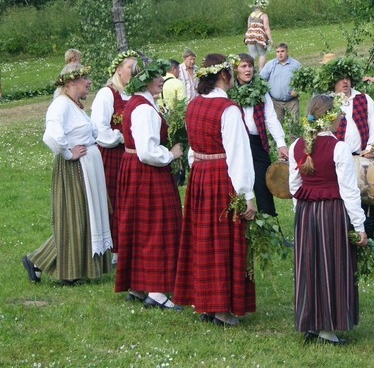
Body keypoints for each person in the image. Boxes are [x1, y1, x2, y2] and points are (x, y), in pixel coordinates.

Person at [174, 54, 257, 326]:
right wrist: (247, 194)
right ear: (223, 76)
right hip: (222, 178)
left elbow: (191, 150)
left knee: (203, 239)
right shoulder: (228, 109)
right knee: (221, 240)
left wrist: (197, 169)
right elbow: (238, 155)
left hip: (200, 176)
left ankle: (206, 305)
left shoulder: (193, 105)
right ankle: (221, 310)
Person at [22, 63, 113, 284]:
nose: (89, 82)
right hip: (74, 169)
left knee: (85, 217)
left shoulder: (75, 105)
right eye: (85, 79)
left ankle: (47, 263)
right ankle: (57, 268)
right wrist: (67, 152)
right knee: (75, 218)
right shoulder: (60, 105)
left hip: (87, 167)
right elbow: (51, 136)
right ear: (72, 82)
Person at [288, 94, 368, 345]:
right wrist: (359, 225)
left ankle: (310, 322)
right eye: (339, 113)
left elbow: (294, 185)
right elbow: (349, 190)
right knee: (332, 266)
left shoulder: (297, 145)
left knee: (309, 266)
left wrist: (300, 212)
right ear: (329, 117)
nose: (342, 117)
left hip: (306, 212)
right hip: (331, 213)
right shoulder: (339, 147)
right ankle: (327, 328)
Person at [114, 59, 184, 309]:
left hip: (135, 169)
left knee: (139, 226)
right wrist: (172, 154)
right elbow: (147, 151)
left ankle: (138, 284)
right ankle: (155, 290)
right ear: (144, 79)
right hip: (147, 171)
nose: (161, 80)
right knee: (158, 226)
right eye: (156, 77)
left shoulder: (139, 102)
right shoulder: (143, 108)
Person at [326, 56, 374, 239]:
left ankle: (366, 234)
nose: (345, 81)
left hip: (362, 157)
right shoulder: (327, 102)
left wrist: (371, 149)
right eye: (341, 78)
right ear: (333, 81)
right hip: (336, 160)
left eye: (348, 77)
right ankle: (340, 233)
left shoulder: (364, 99)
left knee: (364, 199)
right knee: (339, 196)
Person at [90, 50, 138, 257]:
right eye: (130, 68)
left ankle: (128, 246)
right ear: (119, 70)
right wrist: (120, 137)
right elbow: (99, 128)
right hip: (112, 154)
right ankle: (113, 249)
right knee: (113, 198)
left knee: (129, 200)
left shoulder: (135, 94)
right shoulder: (107, 94)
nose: (135, 72)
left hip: (132, 154)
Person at [230, 53, 288, 216]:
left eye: (250, 66)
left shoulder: (261, 89)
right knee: (237, 183)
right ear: (236, 70)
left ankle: (269, 224)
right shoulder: (229, 91)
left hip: (257, 142)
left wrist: (281, 142)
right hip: (236, 143)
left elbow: (270, 117)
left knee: (263, 183)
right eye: (243, 66)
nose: (248, 69)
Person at [260, 42, 301, 123]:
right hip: (275, 102)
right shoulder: (271, 64)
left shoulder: (295, 65)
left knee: (295, 124)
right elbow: (261, 79)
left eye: (282, 51)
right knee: (276, 125)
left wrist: (297, 89)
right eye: (278, 52)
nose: (280, 54)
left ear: (287, 52)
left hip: (292, 101)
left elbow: (303, 81)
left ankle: (295, 136)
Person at [243, 0, 272, 71]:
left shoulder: (251, 15)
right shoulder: (263, 15)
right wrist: (270, 39)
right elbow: (266, 28)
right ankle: (261, 70)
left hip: (250, 36)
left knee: (252, 54)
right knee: (262, 54)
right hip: (259, 36)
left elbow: (249, 27)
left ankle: (247, 69)